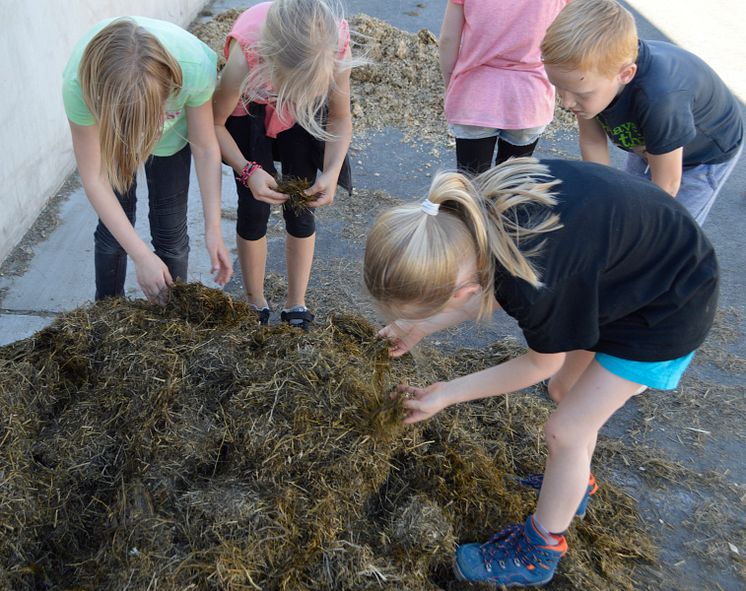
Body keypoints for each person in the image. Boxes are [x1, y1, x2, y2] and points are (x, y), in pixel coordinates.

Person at [364, 157, 719, 587]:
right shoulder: (467, 219)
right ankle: (574, 486)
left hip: (667, 306)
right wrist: (415, 325)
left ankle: (538, 552)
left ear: (466, 290)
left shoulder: (534, 284)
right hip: (621, 276)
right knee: (566, 389)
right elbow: (482, 294)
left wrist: (446, 393)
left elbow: (539, 361)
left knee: (564, 432)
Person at [63, 17, 233, 303]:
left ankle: (169, 317)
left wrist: (213, 227)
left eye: (154, 113)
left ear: (170, 86)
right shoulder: (79, 86)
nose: (147, 134)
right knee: (114, 228)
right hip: (114, 138)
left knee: (171, 232)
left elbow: (204, 147)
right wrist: (141, 256)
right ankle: (106, 311)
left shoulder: (193, 68)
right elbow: (94, 179)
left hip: (172, 141)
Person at [213, 0, 355, 329]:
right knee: (253, 208)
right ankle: (254, 302)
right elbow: (215, 125)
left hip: (303, 112)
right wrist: (247, 171)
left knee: (302, 204)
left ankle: (296, 304)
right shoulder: (244, 57)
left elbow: (340, 116)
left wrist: (331, 173)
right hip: (249, 106)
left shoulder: (334, 48)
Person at [541, 0, 743, 225]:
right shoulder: (591, 79)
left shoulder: (660, 99)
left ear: (626, 74)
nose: (566, 101)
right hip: (648, 138)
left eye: (580, 94)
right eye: (559, 87)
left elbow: (667, 186)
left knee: (670, 227)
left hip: (703, 154)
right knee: (628, 197)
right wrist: (604, 199)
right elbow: (592, 143)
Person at [438, 0, 569, 174]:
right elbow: (569, 40)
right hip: (530, 96)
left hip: (474, 93)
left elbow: (448, 40)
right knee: (511, 184)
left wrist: (450, 84)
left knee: (471, 181)